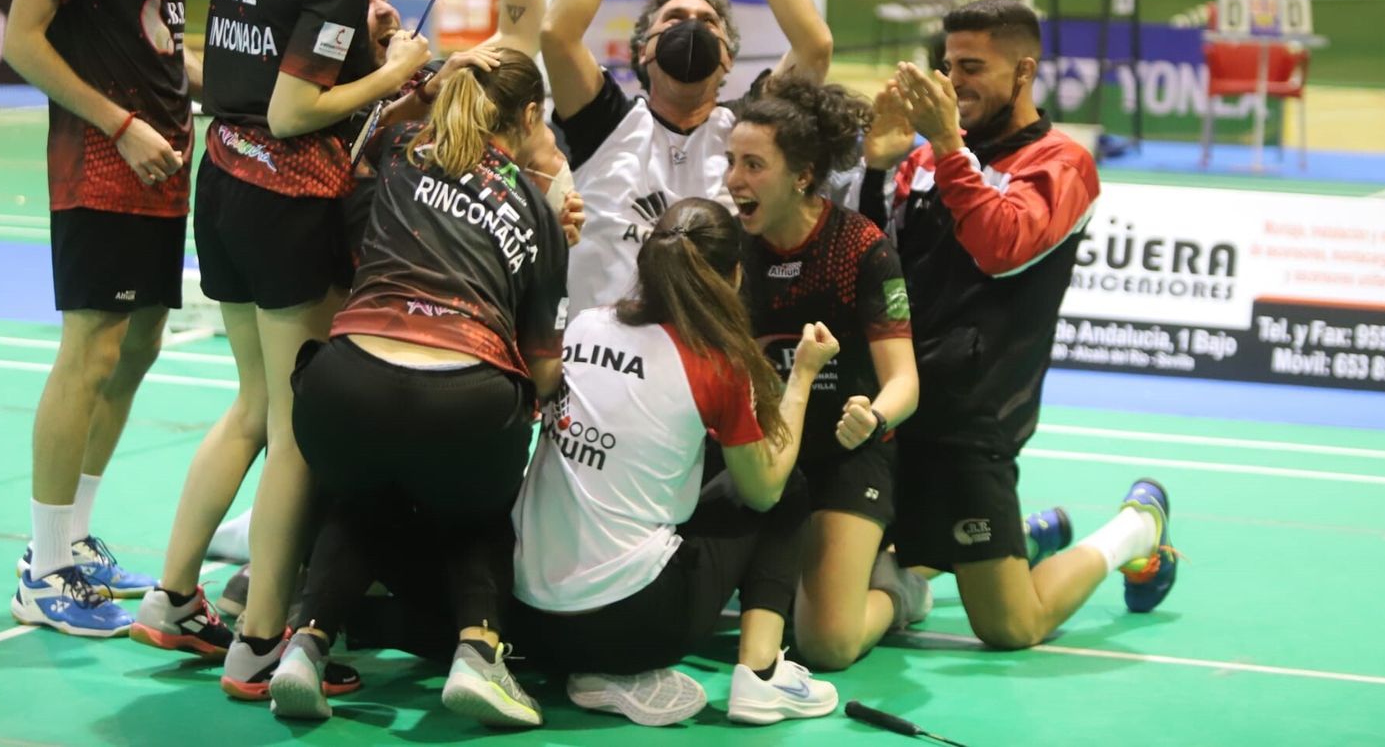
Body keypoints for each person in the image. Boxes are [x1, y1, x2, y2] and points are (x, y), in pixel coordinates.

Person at [128, 0, 432, 687]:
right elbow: (300, 112)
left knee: (254, 407)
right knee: (297, 428)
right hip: (286, 195)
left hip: (221, 185)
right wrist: (397, 70)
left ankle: (172, 600)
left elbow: (258, 67)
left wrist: (356, 44)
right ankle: (261, 643)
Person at [264, 48, 571, 727]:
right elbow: (545, 369)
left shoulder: (399, 148)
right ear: (525, 117)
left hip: (345, 387)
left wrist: (429, 81)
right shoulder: (539, 210)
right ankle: (478, 654)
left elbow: (354, 167)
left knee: (362, 496)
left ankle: (304, 647)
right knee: (477, 510)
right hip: (466, 402)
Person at [859, 0, 1177, 650]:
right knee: (857, 572)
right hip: (899, 400)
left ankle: (1135, 529)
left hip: (973, 415)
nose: (954, 82)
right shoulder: (922, 162)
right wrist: (875, 168)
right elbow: (876, 257)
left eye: (972, 66)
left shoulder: (1062, 165)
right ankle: (1026, 539)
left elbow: (1001, 248)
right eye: (947, 66)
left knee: (1010, 626)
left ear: (1023, 71)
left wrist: (946, 144)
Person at [3, 0, 219, 637]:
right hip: (101, 158)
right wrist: (121, 122)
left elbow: (159, 40)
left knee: (138, 351)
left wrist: (242, 87)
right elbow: (21, 43)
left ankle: (77, 537)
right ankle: (42, 566)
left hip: (164, 161)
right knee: (90, 348)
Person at [510, 198, 842, 726]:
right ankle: (761, 678)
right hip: (637, 625)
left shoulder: (584, 325)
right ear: (733, 275)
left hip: (529, 616)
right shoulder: (716, 364)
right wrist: (802, 374)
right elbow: (764, 491)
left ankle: (594, 672)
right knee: (787, 487)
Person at [542, 0, 833, 313]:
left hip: (708, 360)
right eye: (674, 19)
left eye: (708, 21)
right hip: (601, 360)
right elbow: (557, 34)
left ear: (728, 56)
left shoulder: (751, 129)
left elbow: (814, 47)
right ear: (643, 50)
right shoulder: (603, 122)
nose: (692, 26)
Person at [724, 76, 921, 669]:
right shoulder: (731, 249)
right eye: (732, 162)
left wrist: (874, 415)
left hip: (846, 453)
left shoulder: (860, 249)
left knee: (824, 644)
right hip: (763, 452)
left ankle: (903, 589)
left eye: (754, 165)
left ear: (802, 173)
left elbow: (905, 381)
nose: (735, 180)